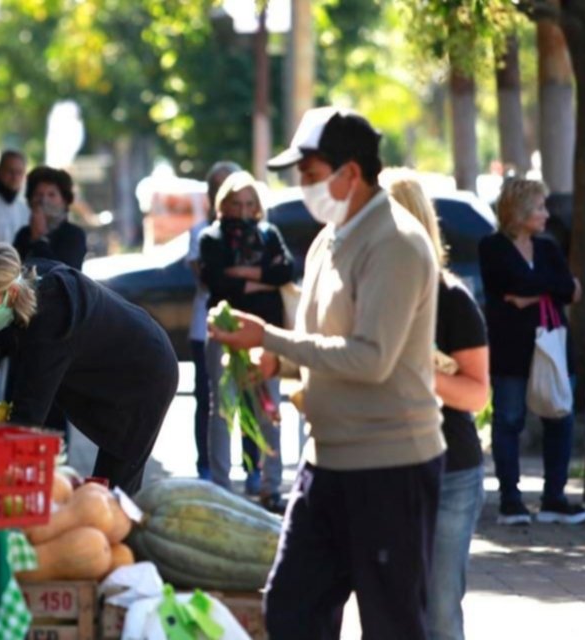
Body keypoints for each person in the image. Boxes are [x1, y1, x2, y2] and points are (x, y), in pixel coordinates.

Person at [210, 107, 444, 639]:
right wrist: (276, 362)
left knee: (391, 626)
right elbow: (323, 338)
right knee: (291, 611)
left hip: (391, 467)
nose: (302, 187)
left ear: (351, 174)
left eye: (311, 175)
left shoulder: (397, 244)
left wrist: (268, 337)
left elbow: (370, 358)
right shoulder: (327, 239)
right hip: (326, 463)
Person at [0, 242, 178, 494]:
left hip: (146, 373)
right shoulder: (29, 280)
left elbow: (29, 414)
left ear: (12, 292)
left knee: (114, 490)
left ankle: (123, 530)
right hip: (122, 360)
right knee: (102, 490)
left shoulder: (51, 321)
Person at [391, 176, 489, 640]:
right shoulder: (362, 295)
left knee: (440, 609)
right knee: (389, 603)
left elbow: (476, 394)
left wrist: (419, 372)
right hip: (377, 468)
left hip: (449, 472)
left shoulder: (450, 300)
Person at [478, 178, 585, 525]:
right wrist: (549, 289)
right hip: (512, 350)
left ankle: (554, 497)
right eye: (539, 207)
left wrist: (530, 296)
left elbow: (571, 290)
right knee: (509, 419)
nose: (545, 214)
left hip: (553, 345)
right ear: (519, 210)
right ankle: (510, 500)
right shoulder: (492, 247)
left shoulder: (549, 247)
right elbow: (506, 286)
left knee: (560, 416)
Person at [199, 170, 292, 510]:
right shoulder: (212, 238)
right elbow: (217, 283)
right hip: (222, 334)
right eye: (236, 203)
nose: (242, 209)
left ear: (258, 206)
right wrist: (262, 279)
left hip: (266, 336)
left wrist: (244, 274)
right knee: (223, 412)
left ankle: (272, 487)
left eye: (249, 203)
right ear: (224, 204)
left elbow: (286, 272)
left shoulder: (269, 235)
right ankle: (221, 488)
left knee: (269, 410)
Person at [189, 160, 241, 480]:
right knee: (209, 400)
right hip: (205, 329)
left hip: (246, 327)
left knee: (248, 397)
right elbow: (211, 279)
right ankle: (207, 466)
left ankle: (253, 467)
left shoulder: (259, 232)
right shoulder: (203, 234)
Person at [13, 166, 87, 269]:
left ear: (64, 200)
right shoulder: (23, 235)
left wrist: (39, 239)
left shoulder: (74, 235)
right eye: (38, 194)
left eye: (51, 195)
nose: (43, 200)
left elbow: (63, 275)